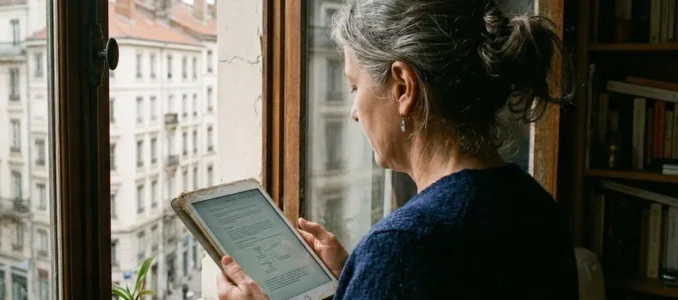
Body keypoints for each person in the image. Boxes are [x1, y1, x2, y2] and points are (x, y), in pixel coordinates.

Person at [217, 0, 578, 299]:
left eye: (355, 86)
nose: (353, 113)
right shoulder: (531, 202)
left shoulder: (405, 246)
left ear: (404, 87)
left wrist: (376, 269)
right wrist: (355, 276)